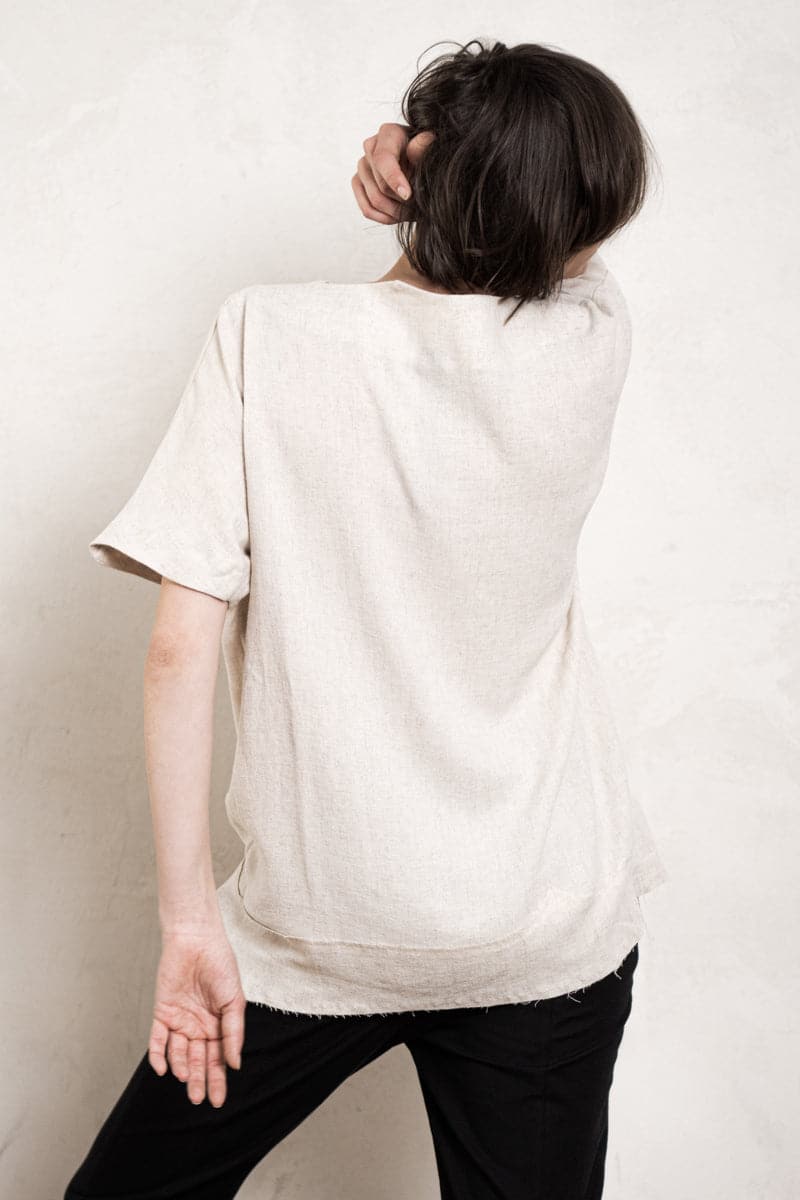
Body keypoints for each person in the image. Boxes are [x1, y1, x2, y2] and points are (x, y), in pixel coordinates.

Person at [65, 37, 668, 1200]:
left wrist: (187, 927)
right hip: (546, 925)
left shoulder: (266, 338)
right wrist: (440, 184)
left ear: (425, 174)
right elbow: (554, 254)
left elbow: (180, 646)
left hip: (312, 932)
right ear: (583, 221)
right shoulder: (592, 339)